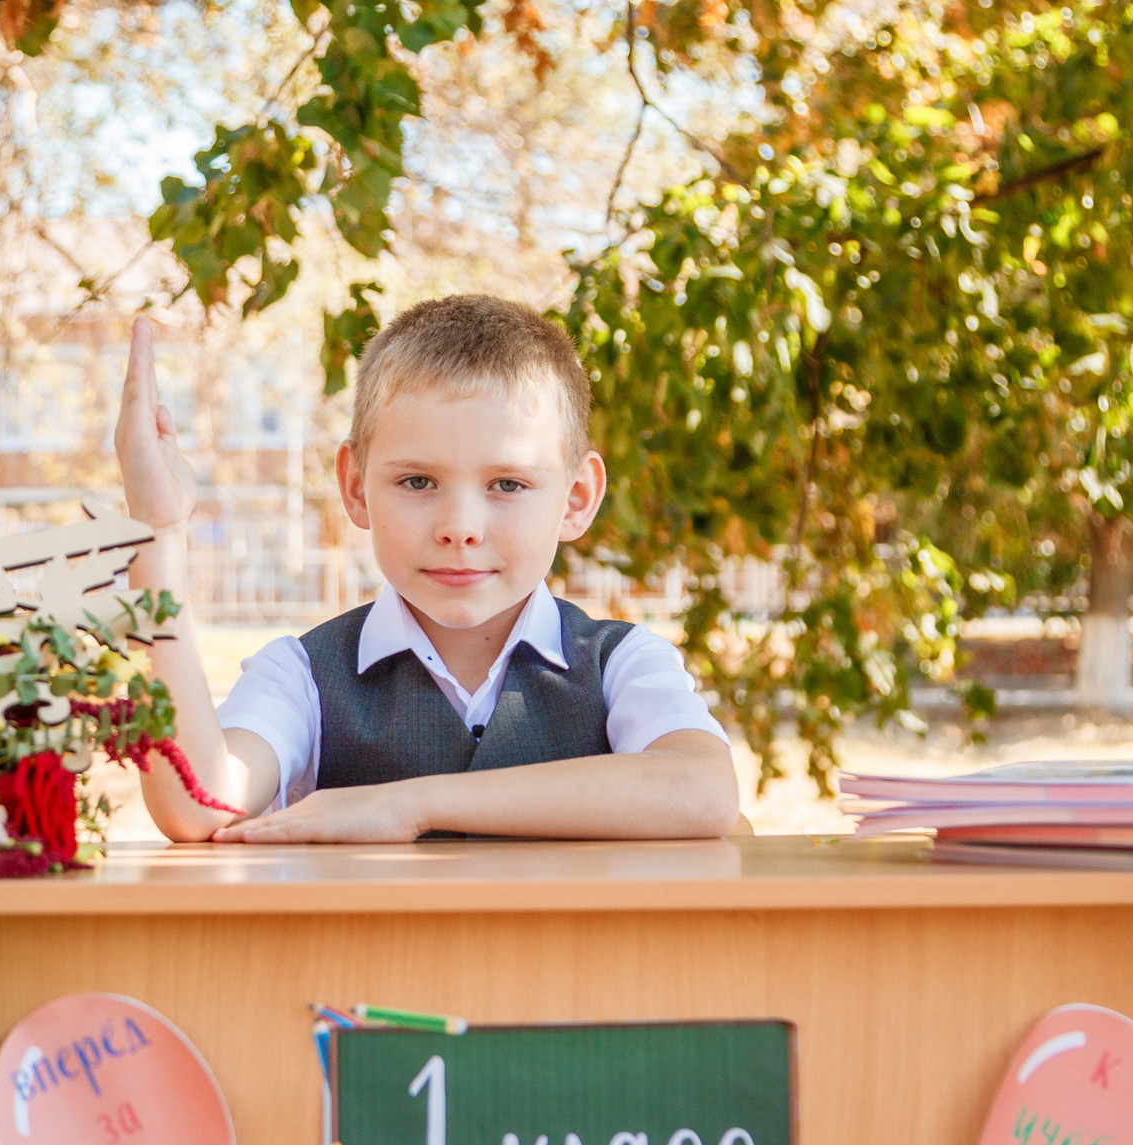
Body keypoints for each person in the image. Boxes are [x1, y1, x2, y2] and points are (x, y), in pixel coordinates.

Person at [114, 294, 741, 843]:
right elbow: (199, 801)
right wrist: (159, 534)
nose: (459, 526)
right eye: (417, 481)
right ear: (356, 488)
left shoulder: (621, 663)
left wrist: (411, 803)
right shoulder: (301, 676)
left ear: (575, 499)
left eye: (508, 484)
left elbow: (703, 790)